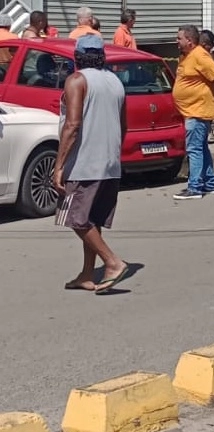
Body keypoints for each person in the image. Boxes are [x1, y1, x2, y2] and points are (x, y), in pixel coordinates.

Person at [53, 35, 129, 294]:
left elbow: (72, 126)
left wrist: (59, 166)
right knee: (91, 220)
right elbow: (124, 126)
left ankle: (112, 262)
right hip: (110, 164)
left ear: (76, 57)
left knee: (74, 218)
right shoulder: (115, 82)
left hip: (84, 163)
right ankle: (87, 274)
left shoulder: (77, 80)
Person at [172, 25, 214, 200]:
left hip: (199, 111)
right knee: (201, 147)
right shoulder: (186, 56)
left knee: (194, 149)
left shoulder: (199, 55)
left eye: (179, 38)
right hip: (192, 110)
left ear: (189, 40)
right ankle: (210, 183)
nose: (176, 41)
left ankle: (195, 187)